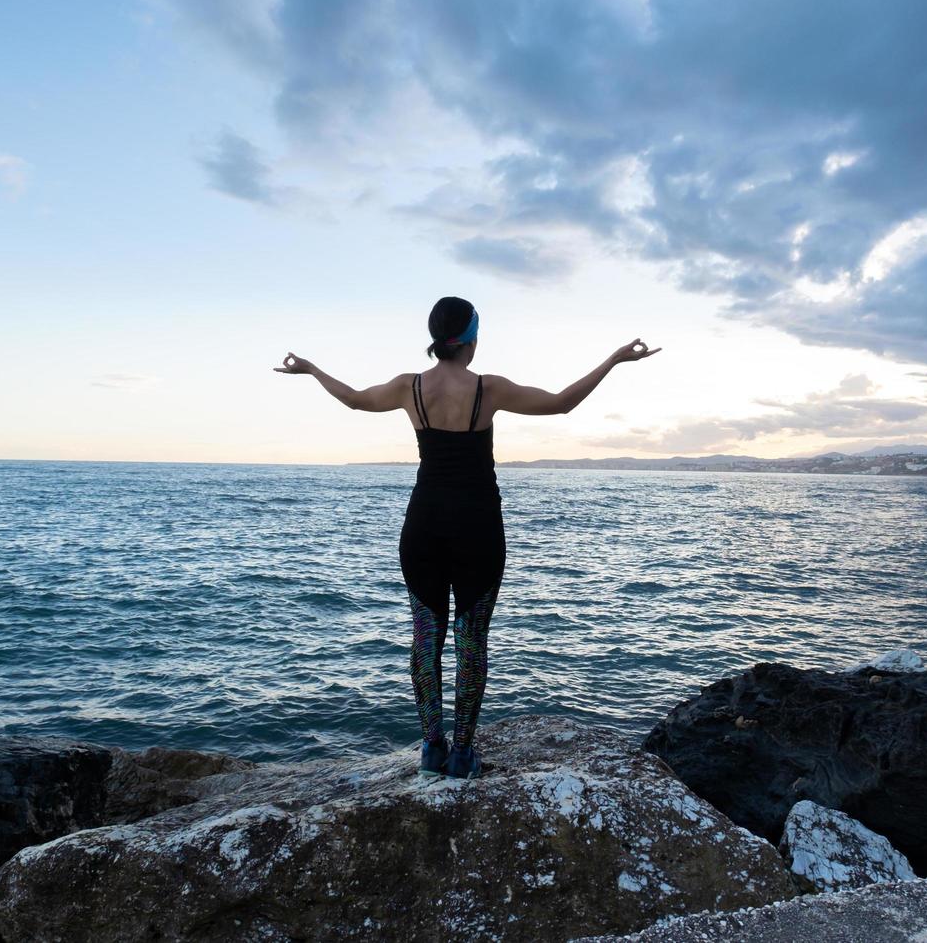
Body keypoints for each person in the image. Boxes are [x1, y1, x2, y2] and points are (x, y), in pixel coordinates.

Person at [275, 297, 659, 778]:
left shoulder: (407, 388)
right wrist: (615, 360)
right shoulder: (488, 389)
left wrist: (311, 368)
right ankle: (462, 754)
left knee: (425, 637)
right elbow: (562, 403)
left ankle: (431, 748)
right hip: (478, 527)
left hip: (423, 526)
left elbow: (353, 399)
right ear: (472, 339)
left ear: (436, 338)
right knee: (471, 639)